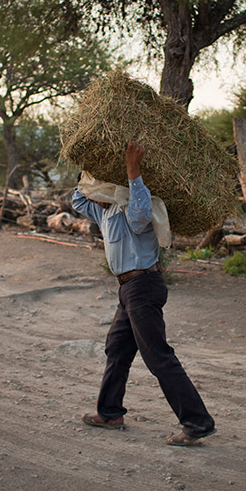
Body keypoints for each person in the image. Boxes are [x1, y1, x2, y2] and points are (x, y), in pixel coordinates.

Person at [72, 141, 216, 447]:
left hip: (143, 286)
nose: (94, 196)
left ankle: (197, 422)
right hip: (127, 289)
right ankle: (110, 412)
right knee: (117, 348)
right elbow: (77, 198)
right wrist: (89, 166)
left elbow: (140, 214)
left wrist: (132, 171)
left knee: (157, 355)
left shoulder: (132, 207)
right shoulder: (105, 212)